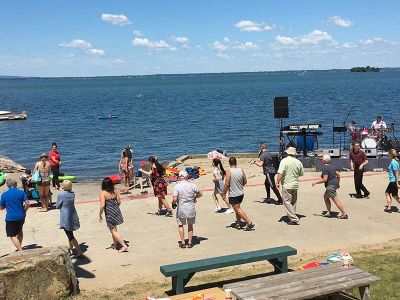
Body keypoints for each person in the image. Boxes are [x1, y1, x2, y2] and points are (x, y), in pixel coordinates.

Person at [222, 157, 255, 231]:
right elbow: (245, 181)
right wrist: (239, 185)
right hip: (241, 193)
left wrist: (224, 193)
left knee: (237, 208)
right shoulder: (241, 170)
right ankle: (238, 223)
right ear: (236, 162)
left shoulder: (229, 172)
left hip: (234, 194)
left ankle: (249, 222)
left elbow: (227, 184)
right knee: (237, 208)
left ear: (229, 163)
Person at [172, 170, 203, 248]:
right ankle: (189, 242)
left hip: (181, 209)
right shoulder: (192, 185)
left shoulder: (177, 186)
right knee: (190, 226)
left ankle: (182, 242)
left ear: (179, 177)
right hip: (191, 208)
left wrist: (173, 203)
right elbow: (200, 193)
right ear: (187, 177)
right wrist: (195, 197)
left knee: (180, 225)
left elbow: (175, 198)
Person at [312, 155, 348, 219]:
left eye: (322, 159)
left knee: (336, 201)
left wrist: (316, 182)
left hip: (330, 186)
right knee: (325, 197)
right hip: (334, 184)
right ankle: (328, 212)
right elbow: (338, 174)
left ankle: (344, 214)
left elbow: (325, 179)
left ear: (325, 161)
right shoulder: (333, 166)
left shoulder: (324, 168)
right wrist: (338, 183)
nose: (321, 160)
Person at [275, 147, 304, 225]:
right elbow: (301, 173)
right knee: (293, 202)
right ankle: (292, 217)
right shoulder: (298, 162)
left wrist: (277, 182)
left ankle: (293, 218)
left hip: (287, 184)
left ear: (287, 153)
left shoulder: (284, 161)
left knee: (286, 202)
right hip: (295, 184)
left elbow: (280, 172)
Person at [99, 177, 128, 252]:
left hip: (109, 213)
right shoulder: (115, 191)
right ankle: (115, 245)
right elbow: (119, 202)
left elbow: (102, 205)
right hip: (116, 210)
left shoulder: (103, 193)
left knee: (113, 231)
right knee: (114, 229)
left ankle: (124, 246)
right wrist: (115, 208)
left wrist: (100, 214)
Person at [0, 178, 30, 251]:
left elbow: (1, 207)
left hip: (11, 217)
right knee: (20, 231)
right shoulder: (21, 192)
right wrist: (24, 211)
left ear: (7, 185)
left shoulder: (4, 194)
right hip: (21, 216)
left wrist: (6, 206)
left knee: (12, 235)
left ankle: (20, 250)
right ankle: (19, 246)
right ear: (15, 184)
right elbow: (27, 203)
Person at [56, 180, 82, 257]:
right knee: (70, 233)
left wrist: (61, 192)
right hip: (72, 213)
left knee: (70, 235)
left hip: (65, 215)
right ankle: (71, 249)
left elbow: (58, 206)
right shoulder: (72, 194)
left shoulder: (61, 194)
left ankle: (79, 250)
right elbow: (67, 195)